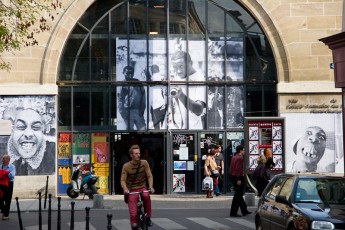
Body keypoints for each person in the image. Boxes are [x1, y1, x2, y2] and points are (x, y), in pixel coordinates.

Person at [7, 108, 55, 175]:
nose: (28, 134)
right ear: (12, 131)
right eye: (21, 127)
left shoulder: (54, 153)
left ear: (42, 132)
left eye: (36, 127)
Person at [169, 50, 206, 129]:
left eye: (181, 66)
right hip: (176, 129)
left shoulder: (199, 79)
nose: (178, 71)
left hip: (193, 130)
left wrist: (181, 95)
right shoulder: (178, 77)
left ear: (189, 63)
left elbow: (199, 110)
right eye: (175, 67)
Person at [121, 145, 155, 229]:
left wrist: (150, 187)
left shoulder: (144, 163)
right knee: (133, 213)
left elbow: (149, 176)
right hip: (132, 190)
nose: (138, 155)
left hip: (142, 187)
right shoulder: (126, 166)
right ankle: (134, 225)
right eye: (136, 153)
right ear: (131, 155)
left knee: (146, 196)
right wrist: (125, 189)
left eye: (139, 153)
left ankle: (148, 218)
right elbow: (122, 180)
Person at [118, 66, 146, 130]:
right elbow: (120, 100)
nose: (130, 75)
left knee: (143, 130)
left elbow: (143, 96)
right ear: (123, 73)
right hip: (127, 111)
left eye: (131, 73)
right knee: (129, 132)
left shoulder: (138, 82)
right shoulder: (123, 84)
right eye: (127, 73)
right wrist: (123, 113)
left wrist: (142, 109)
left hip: (138, 111)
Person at [229, 145, 251, 217]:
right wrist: (239, 179)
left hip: (233, 177)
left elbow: (232, 168)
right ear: (240, 150)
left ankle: (244, 210)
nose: (244, 151)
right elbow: (238, 169)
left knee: (238, 195)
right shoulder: (240, 158)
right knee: (238, 195)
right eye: (244, 150)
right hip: (238, 177)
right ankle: (234, 212)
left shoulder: (234, 157)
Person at [0, 154, 15, 220]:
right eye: (3, 158)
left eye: (4, 158)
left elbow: (12, 176)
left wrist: (4, 173)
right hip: (1, 183)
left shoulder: (12, 167)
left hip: (9, 184)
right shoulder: (0, 166)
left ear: (8, 160)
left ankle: (6, 215)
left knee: (8, 199)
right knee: (0, 197)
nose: (2, 160)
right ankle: (3, 210)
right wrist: (4, 173)